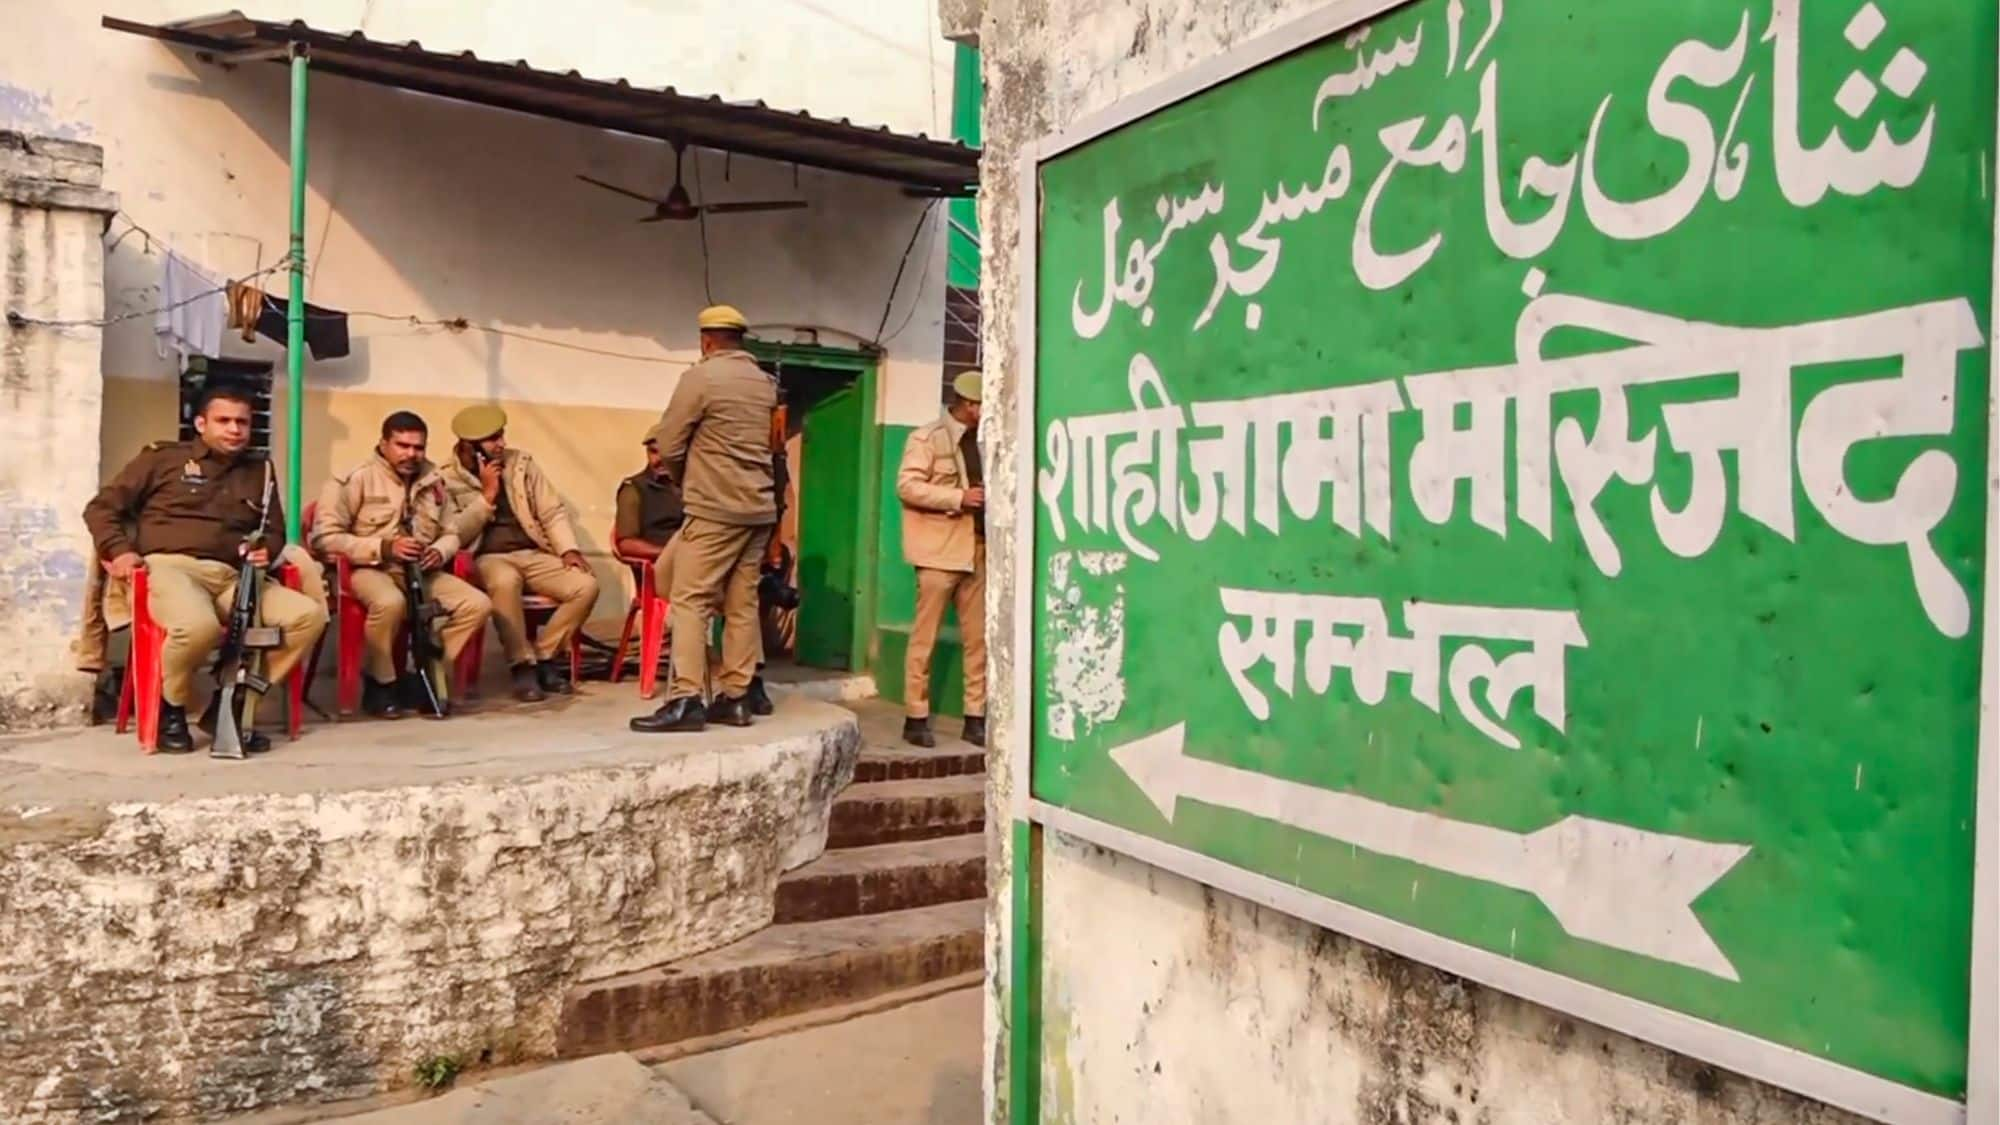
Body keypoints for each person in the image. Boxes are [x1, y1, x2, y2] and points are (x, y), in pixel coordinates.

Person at [81, 382, 329, 754]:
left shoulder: (259, 470)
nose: (234, 429)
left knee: (307, 616)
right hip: (171, 568)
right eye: (223, 420)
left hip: (233, 576)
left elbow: (274, 529)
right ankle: (171, 707)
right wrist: (119, 552)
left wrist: (267, 550)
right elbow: (100, 509)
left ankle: (231, 705)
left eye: (242, 422)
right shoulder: (162, 459)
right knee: (197, 627)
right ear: (200, 423)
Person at [631, 304, 779, 733]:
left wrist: (682, 482)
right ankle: (736, 697)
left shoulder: (700, 377)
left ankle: (686, 699)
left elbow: (669, 442)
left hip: (714, 507)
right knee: (741, 601)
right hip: (758, 508)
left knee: (690, 599)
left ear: (707, 340)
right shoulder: (763, 383)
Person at [312, 411, 493, 718]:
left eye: (418, 447)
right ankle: (381, 684)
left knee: (477, 604)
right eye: (402, 445)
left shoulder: (434, 481)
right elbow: (324, 539)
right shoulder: (355, 477)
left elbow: (451, 533)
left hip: (422, 571)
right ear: (384, 444)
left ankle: (428, 672)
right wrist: (384, 547)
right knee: (390, 603)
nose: (411, 454)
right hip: (369, 569)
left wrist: (439, 551)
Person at [441, 404, 600, 703]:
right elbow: (454, 534)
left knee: (586, 585)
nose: (501, 444)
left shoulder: (522, 465)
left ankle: (544, 656)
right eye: (492, 440)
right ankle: (521, 665)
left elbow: (551, 511)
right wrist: (487, 497)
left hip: (534, 551)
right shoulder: (447, 479)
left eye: (501, 436)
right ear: (469, 446)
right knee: (504, 581)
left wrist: (568, 549)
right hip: (488, 558)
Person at [896, 371, 987, 749]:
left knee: (978, 639)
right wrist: (957, 499)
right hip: (938, 551)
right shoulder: (927, 438)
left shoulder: (989, 442)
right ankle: (916, 716)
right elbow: (907, 486)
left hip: (978, 548)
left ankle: (975, 716)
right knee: (925, 639)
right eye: (981, 404)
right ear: (967, 404)